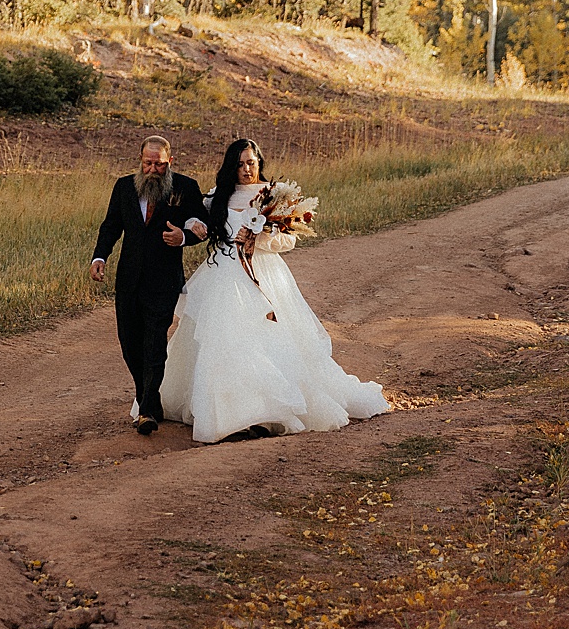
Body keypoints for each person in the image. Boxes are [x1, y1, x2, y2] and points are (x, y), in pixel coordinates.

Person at [161, 138, 390, 444]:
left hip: (263, 274)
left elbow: (289, 241)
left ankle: (265, 413)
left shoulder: (274, 195)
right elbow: (198, 220)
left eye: (251, 163)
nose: (246, 170)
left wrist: (260, 239)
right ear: (232, 166)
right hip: (222, 273)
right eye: (240, 164)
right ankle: (230, 412)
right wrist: (191, 224)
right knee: (224, 340)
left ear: (259, 163)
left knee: (264, 341)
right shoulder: (218, 196)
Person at [90, 136, 208, 435]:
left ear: (171, 161)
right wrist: (100, 256)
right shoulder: (123, 187)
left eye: (159, 163)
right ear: (140, 161)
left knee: (155, 342)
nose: (153, 169)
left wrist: (183, 236)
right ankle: (150, 400)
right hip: (129, 279)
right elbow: (111, 226)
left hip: (164, 280)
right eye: (148, 163)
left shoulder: (185, 186)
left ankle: (145, 412)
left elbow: (202, 225)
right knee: (130, 343)